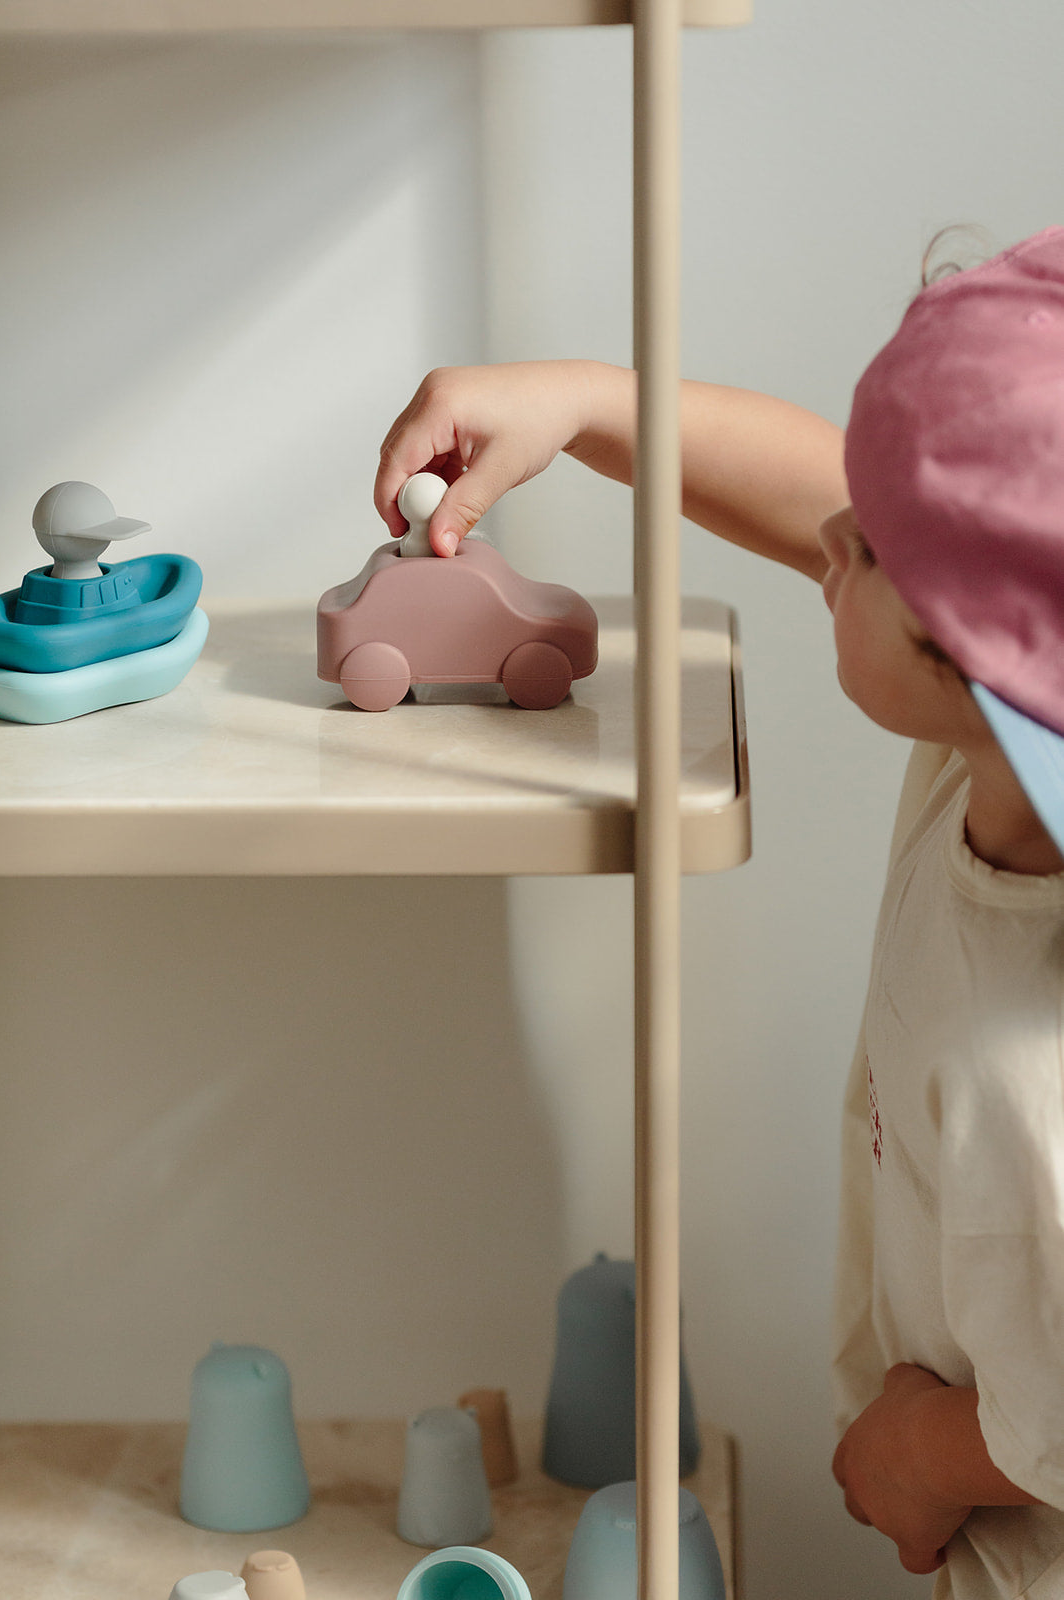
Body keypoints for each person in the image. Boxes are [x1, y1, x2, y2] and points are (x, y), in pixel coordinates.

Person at [374, 227, 1064, 1599]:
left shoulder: (1035, 1068)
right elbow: (822, 494)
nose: (825, 536)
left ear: (979, 662)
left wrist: (937, 1451)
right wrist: (586, 405)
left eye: (862, 552)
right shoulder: (997, 755)